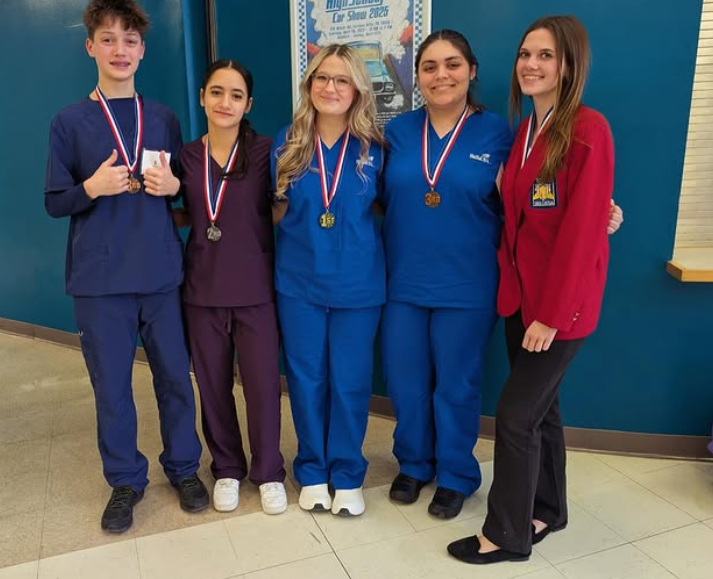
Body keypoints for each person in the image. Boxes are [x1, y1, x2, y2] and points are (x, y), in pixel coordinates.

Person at [448, 15, 615, 564]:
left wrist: (552, 316)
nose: (531, 65)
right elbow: (528, 216)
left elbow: (579, 233)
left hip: (558, 310)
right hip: (520, 300)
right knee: (544, 412)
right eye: (525, 54)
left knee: (516, 417)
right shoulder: (525, 133)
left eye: (545, 55)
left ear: (569, 65)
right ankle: (549, 510)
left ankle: (506, 535)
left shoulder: (588, 129)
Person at [44, 0, 208, 534]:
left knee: (175, 379)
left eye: (130, 40)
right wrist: (90, 188)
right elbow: (55, 202)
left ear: (142, 50)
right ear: (90, 46)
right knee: (111, 388)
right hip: (99, 282)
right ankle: (124, 480)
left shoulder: (161, 118)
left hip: (159, 275)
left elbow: (183, 194)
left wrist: (175, 186)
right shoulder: (69, 122)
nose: (120, 49)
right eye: (108, 39)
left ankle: (184, 468)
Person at [379, 30, 513, 519]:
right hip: (403, 282)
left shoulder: (498, 134)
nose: (441, 75)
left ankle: (456, 474)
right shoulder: (396, 132)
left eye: (452, 64)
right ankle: (414, 463)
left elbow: (531, 197)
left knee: (456, 385)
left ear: (471, 71)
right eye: (430, 67)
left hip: (468, 284)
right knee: (406, 383)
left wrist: (596, 209)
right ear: (418, 77)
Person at [271, 44, 385, 516]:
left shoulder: (376, 148)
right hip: (299, 283)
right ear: (309, 85)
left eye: (341, 80)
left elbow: (389, 210)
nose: (331, 88)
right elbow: (274, 210)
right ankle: (313, 470)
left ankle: (348, 473)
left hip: (359, 286)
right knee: (305, 378)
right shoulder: (287, 143)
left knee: (351, 381)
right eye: (322, 78)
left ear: (357, 88)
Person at [177, 59, 287, 515]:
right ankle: (226, 466)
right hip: (202, 289)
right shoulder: (185, 157)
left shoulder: (265, 152)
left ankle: (269, 471)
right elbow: (183, 211)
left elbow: (278, 210)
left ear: (249, 104)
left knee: (262, 386)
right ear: (202, 97)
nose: (226, 102)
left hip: (255, 287)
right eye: (217, 92)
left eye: (236, 95)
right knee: (213, 385)